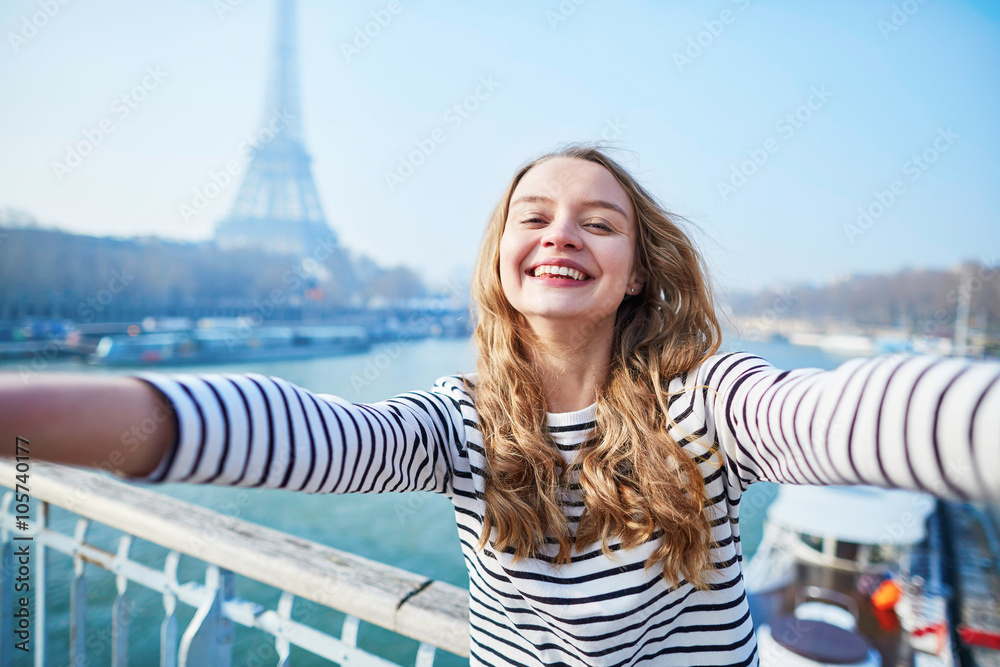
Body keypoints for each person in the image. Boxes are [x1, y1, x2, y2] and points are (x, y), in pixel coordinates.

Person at [1, 145, 998, 666]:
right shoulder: (458, 419)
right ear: (501, 259)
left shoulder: (705, 400)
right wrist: (25, 413)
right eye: (536, 214)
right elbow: (311, 434)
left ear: (638, 275)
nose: (561, 231)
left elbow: (850, 413)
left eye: (598, 222)